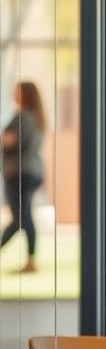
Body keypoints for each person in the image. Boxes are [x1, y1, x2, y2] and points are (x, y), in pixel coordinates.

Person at [2, 81, 45, 274]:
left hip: (20, 172)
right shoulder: (36, 117)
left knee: (21, 217)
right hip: (31, 171)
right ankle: (31, 259)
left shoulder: (23, 117)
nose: (14, 94)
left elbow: (12, 141)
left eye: (17, 91)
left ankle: (30, 260)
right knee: (23, 216)